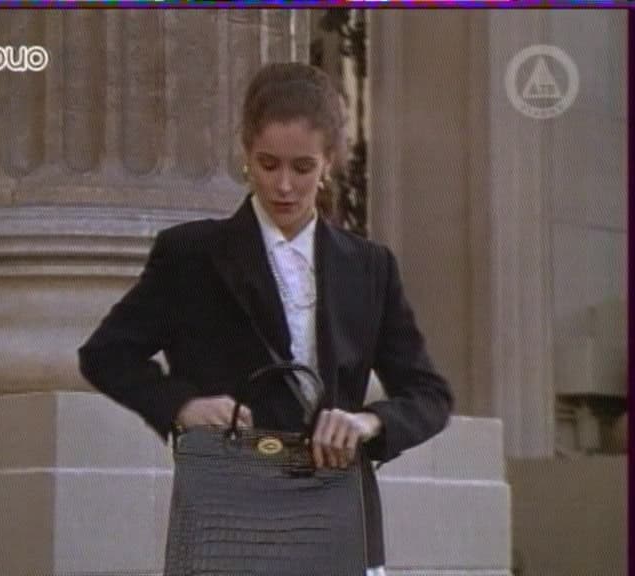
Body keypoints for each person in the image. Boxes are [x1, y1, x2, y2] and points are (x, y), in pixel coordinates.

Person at [78, 61, 453, 576]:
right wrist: (181, 404)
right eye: (268, 163)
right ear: (246, 153)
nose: (284, 185)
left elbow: (430, 395)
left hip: (339, 518)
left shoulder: (369, 267)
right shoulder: (191, 255)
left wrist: (366, 422)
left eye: (303, 167)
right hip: (230, 518)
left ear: (329, 163)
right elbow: (105, 354)